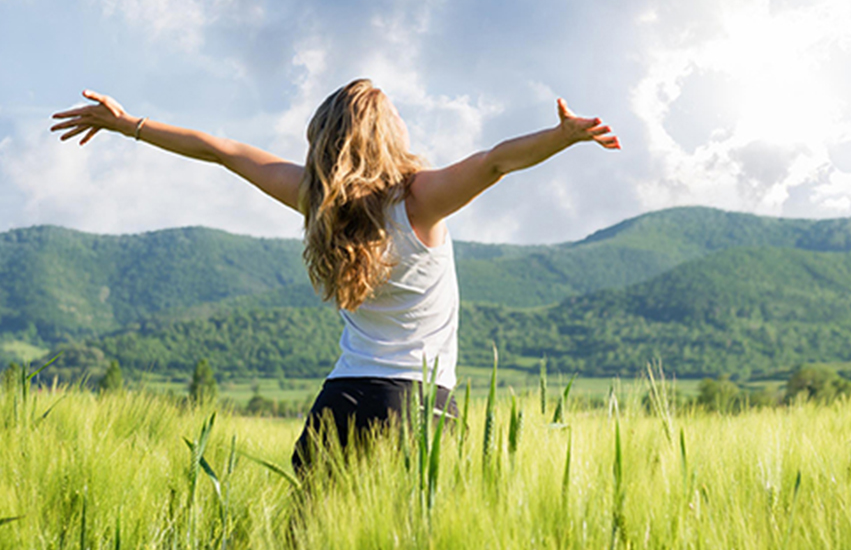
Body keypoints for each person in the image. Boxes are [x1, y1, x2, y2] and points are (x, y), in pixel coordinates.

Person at [50, 81, 619, 473]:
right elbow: (495, 160)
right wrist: (563, 136)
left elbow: (223, 151)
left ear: (323, 138)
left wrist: (129, 125)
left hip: (341, 404)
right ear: (390, 135)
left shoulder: (318, 202)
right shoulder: (421, 199)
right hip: (419, 407)